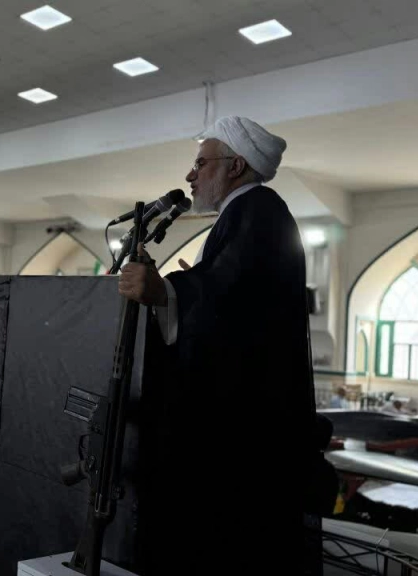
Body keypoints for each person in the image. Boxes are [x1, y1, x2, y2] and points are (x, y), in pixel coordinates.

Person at [116, 116, 315, 572]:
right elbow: (233, 296)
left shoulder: (258, 211)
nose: (190, 175)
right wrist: (185, 286)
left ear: (235, 165)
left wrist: (167, 291)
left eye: (201, 163)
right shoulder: (243, 215)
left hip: (240, 435)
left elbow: (232, 307)